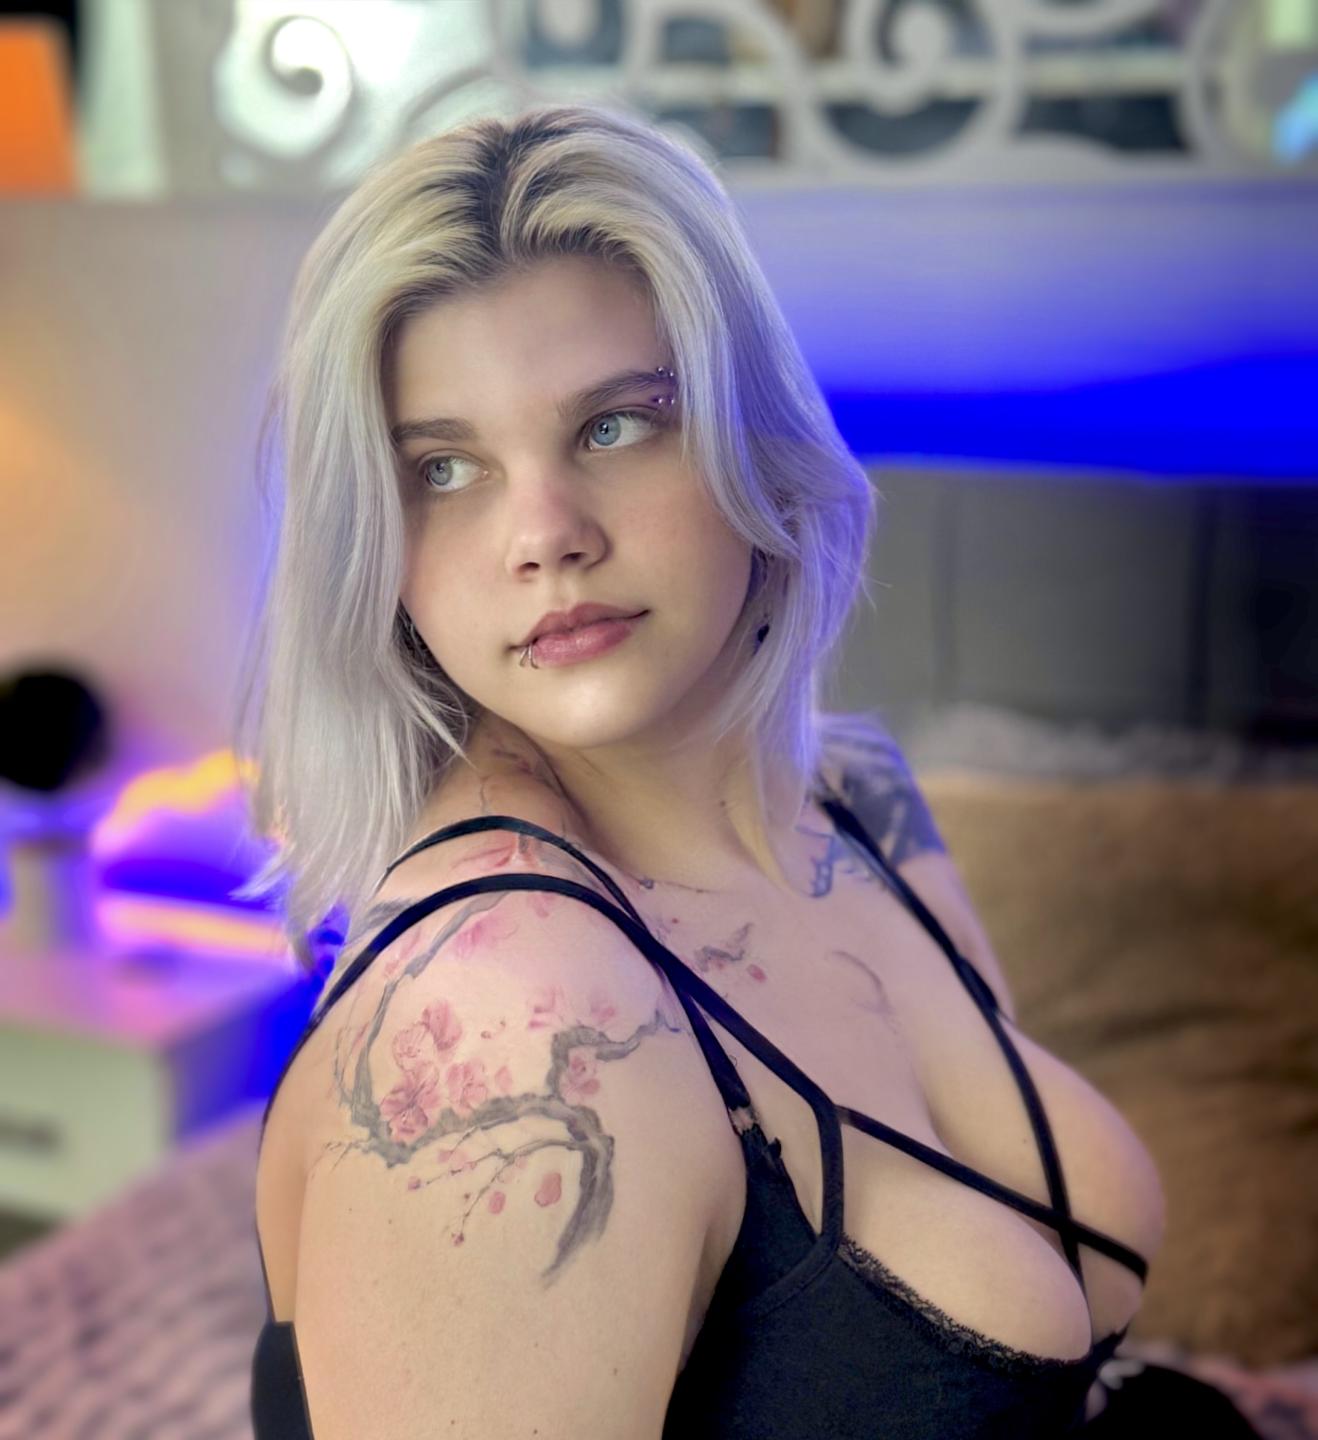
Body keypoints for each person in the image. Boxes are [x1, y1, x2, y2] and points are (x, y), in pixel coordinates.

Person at [238, 101, 1261, 1439]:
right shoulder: (512, 1018)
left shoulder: (856, 796)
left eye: (614, 426)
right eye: (443, 467)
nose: (544, 535)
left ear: (749, 438)